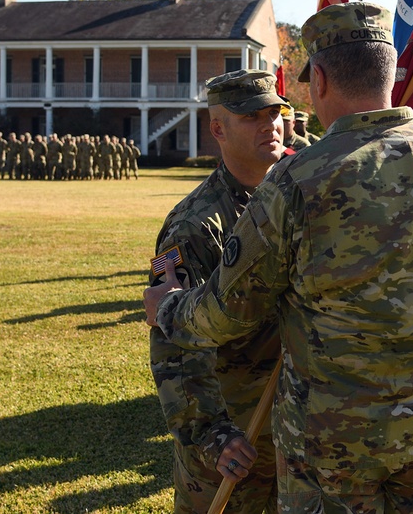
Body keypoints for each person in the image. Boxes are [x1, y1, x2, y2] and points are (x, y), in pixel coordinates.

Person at [145, 1, 413, 513]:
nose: (268, 125)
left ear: (317, 80)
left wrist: (167, 308)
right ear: (391, 70)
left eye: (275, 112)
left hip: (336, 447)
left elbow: (226, 311)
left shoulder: (300, 179)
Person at [150, 68, 289, 514]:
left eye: (275, 112)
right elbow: (171, 342)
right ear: (217, 130)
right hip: (232, 435)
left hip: (290, 426)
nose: (269, 124)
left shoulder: (295, 200)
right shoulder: (191, 225)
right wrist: (212, 434)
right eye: (251, 116)